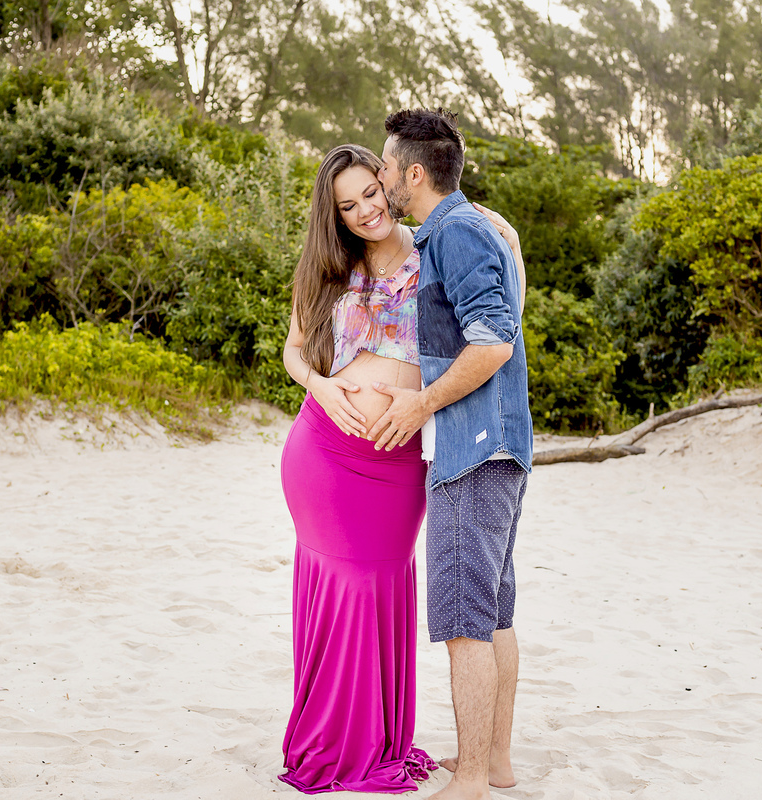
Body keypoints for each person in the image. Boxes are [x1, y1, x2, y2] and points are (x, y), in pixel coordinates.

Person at [277, 142, 524, 795]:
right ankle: (336, 745)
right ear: (333, 215)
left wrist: (501, 227)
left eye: (370, 192)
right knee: (341, 593)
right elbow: (294, 350)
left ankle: (378, 740)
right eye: (347, 205)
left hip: (398, 462)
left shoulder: (437, 248)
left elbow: (495, 304)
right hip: (324, 451)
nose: (365, 210)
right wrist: (319, 385)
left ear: (391, 183)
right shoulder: (329, 267)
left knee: (378, 591)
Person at [370, 109, 533, 800]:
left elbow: (492, 340)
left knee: (466, 622)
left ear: (413, 173)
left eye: (385, 165)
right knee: (492, 614)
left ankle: (470, 781)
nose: (380, 177)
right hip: (496, 446)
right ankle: (493, 763)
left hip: (473, 451)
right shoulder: (464, 229)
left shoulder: (459, 232)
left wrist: (420, 404)